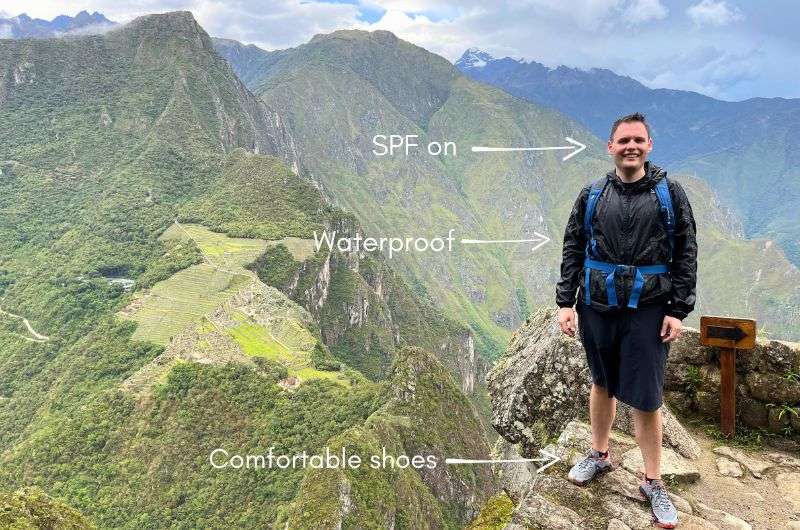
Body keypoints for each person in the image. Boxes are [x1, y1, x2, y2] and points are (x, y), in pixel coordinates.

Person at [555, 112, 697, 529]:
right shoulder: (593, 194)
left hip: (648, 309)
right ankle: (599, 454)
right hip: (598, 305)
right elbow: (573, 247)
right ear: (610, 147)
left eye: (638, 140)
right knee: (601, 382)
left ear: (649, 146)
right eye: (623, 141)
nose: (630, 146)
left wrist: (677, 309)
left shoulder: (670, 195)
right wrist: (566, 302)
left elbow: (686, 250)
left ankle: (653, 481)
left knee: (647, 396)